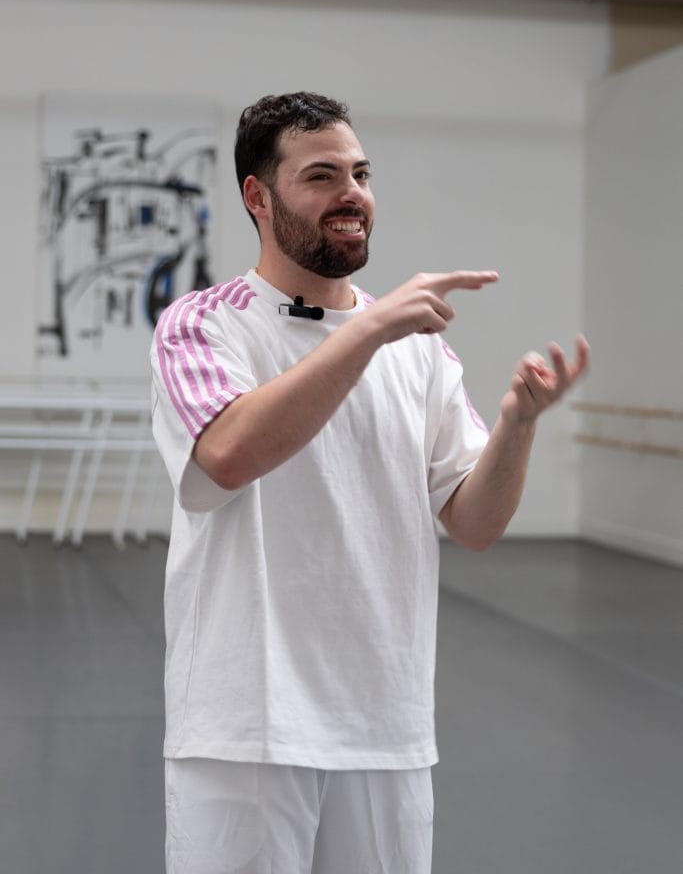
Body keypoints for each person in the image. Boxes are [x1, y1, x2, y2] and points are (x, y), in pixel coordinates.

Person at [151, 91, 589, 874]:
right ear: (259, 197)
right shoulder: (203, 325)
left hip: (383, 727)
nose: (351, 193)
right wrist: (371, 328)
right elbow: (229, 454)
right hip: (244, 728)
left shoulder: (415, 350)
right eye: (321, 175)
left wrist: (518, 423)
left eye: (359, 172)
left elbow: (476, 522)